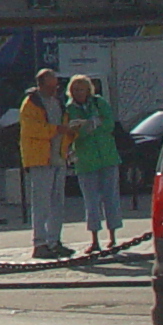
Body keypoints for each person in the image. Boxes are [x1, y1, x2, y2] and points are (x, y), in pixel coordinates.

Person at [65, 74, 123, 256]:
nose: (78, 92)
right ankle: (95, 240)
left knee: (110, 198)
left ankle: (113, 237)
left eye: (81, 89)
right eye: (74, 89)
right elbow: (74, 132)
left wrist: (90, 124)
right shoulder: (68, 109)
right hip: (86, 160)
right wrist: (89, 127)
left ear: (88, 89)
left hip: (107, 157)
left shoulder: (99, 103)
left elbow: (109, 125)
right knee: (91, 202)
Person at [18, 68, 72, 259]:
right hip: (40, 159)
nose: (54, 90)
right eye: (50, 86)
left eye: (55, 86)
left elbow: (62, 125)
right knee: (41, 203)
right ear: (40, 85)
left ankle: (54, 241)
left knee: (57, 202)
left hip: (58, 157)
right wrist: (56, 129)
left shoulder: (58, 102)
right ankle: (40, 243)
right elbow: (32, 129)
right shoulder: (31, 104)